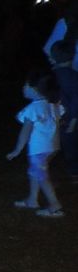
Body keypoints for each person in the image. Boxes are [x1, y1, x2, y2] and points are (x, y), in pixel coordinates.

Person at [6, 69, 64, 217]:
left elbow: (25, 132)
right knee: (35, 172)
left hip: (39, 150)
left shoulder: (33, 109)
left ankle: (55, 205)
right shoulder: (53, 105)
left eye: (26, 85)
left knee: (41, 176)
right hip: (52, 147)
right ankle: (32, 200)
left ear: (36, 89)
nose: (23, 87)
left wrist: (17, 150)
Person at [46, 38, 78, 180]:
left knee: (53, 146)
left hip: (55, 118)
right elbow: (76, 100)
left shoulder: (51, 77)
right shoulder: (74, 76)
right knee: (70, 147)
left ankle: (46, 172)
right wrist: (73, 121)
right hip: (69, 119)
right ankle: (74, 173)